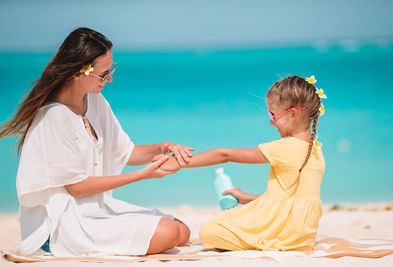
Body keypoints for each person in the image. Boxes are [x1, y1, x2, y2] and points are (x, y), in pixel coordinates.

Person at [0, 27, 193, 256]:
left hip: (98, 210)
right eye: (103, 74)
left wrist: (165, 146)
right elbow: (77, 188)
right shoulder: (53, 116)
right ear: (78, 72)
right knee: (169, 233)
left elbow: (127, 153)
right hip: (65, 224)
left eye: (111, 70)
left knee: (182, 231)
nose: (109, 79)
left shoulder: (95, 102)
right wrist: (142, 175)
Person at [159, 75, 326, 251]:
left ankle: (263, 242)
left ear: (293, 113)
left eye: (273, 115)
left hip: (283, 231)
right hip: (302, 236)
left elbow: (225, 155)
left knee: (210, 230)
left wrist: (180, 162)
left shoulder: (283, 148)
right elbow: (291, 204)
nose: (270, 121)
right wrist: (248, 199)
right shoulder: (316, 151)